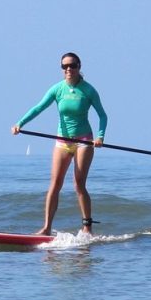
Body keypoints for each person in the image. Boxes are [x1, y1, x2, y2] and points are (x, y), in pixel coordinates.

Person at [11, 52, 108, 235]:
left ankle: (87, 227)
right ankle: (46, 228)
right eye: (64, 67)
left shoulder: (88, 90)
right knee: (55, 184)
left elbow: (102, 115)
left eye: (72, 65)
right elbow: (38, 107)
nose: (68, 69)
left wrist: (100, 137)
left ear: (79, 66)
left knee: (79, 184)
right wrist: (20, 124)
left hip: (83, 141)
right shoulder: (57, 89)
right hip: (62, 141)